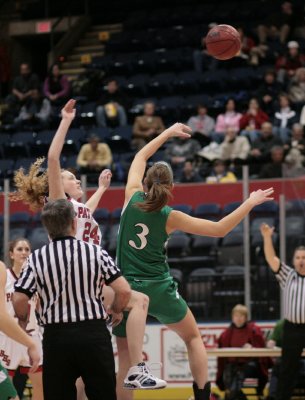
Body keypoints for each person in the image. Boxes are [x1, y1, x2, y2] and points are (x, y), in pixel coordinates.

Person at [11, 99, 165, 393]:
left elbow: (86, 213)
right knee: (138, 301)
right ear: (57, 186)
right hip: (79, 278)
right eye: (71, 178)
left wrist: (103, 189)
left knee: (82, 381)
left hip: (85, 283)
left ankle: (132, 370)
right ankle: (137, 369)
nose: (75, 180)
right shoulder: (58, 200)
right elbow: (53, 159)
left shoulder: (75, 209)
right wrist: (66, 121)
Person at [111, 121, 274, 400]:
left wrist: (166, 133)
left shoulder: (131, 196)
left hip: (125, 288)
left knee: (125, 358)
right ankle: (201, 396)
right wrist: (249, 202)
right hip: (158, 287)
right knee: (192, 337)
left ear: (147, 182)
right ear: (172, 187)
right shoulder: (170, 216)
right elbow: (220, 229)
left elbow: (140, 156)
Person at [12, 199, 131, 400]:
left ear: (47, 228)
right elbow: (124, 291)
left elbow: (19, 298)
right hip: (93, 334)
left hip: (56, 338)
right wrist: (116, 309)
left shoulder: (36, 258)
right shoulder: (95, 252)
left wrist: (23, 320)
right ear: (74, 224)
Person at [260, 223, 305, 400]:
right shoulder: (288, 275)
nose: (301, 260)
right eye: (298, 257)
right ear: (294, 260)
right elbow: (272, 259)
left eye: (304, 257)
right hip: (292, 329)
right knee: (287, 371)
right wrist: (267, 238)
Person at [0, 239, 43, 400]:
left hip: (31, 334)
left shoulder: (34, 277)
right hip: (8, 336)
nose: (24, 252)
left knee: (41, 385)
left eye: (27, 249)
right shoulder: (4, 277)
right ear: (11, 254)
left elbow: (39, 308)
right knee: (6, 387)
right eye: (19, 249)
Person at [216, 304, 270, 400]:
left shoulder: (254, 330)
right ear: (232, 317)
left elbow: (262, 349)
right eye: (236, 316)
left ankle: (232, 395)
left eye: (241, 316)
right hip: (232, 366)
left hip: (250, 366)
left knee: (237, 375)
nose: (238, 318)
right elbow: (221, 356)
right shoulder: (226, 334)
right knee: (231, 374)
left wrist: (252, 348)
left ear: (246, 317)